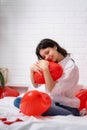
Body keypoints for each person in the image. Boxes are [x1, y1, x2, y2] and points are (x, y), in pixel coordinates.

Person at [14, 38, 82, 116]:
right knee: (18, 101)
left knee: (33, 106)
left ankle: (36, 109)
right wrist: (31, 70)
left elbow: (53, 90)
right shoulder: (50, 64)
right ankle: (37, 108)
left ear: (55, 47)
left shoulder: (71, 67)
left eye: (47, 52)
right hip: (51, 102)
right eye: (44, 56)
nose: (47, 57)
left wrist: (45, 69)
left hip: (67, 107)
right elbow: (36, 84)